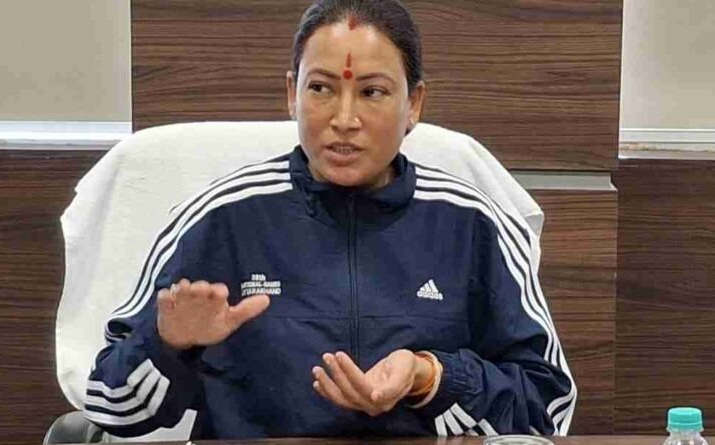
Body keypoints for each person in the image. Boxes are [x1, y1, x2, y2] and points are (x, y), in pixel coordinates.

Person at [83, 0, 576, 439]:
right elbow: (109, 405)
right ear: (291, 95)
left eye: (373, 92)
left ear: (414, 105)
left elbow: (549, 407)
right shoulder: (219, 217)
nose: (344, 119)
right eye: (320, 88)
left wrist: (431, 377)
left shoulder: (473, 222)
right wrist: (169, 344)